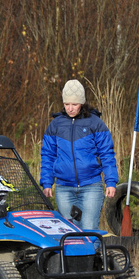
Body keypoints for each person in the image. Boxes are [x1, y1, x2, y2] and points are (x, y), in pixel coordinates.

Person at [40, 79, 118, 230]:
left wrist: (110, 181)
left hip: (91, 186)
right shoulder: (55, 125)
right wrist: (47, 182)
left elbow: (107, 153)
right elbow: (48, 155)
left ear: (81, 103)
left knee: (88, 228)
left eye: (74, 104)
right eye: (67, 104)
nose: (70, 108)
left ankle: (92, 247)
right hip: (64, 188)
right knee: (70, 230)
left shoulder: (95, 123)